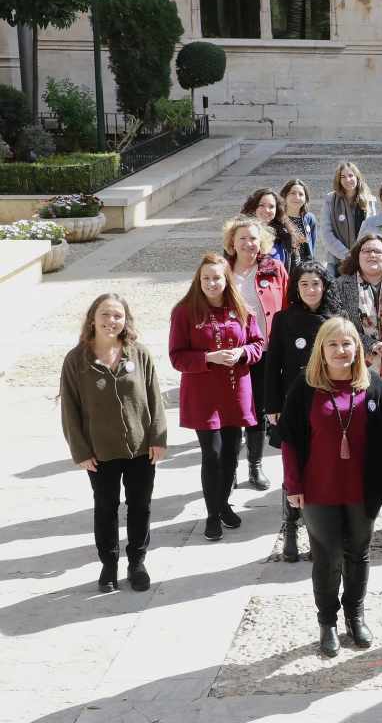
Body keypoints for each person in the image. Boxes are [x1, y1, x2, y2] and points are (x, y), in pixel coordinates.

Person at [279, 317, 382, 657]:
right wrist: (293, 485)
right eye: (333, 344)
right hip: (319, 488)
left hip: (363, 488)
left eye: (347, 344)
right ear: (322, 348)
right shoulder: (305, 387)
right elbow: (289, 440)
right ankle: (327, 622)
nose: (340, 350)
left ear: (357, 349)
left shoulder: (372, 384)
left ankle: (355, 615)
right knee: (327, 555)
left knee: (358, 553)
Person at [61, 294, 167, 593]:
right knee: (105, 507)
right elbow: (69, 408)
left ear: (126, 320)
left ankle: (137, 562)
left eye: (118, 316)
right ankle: (109, 564)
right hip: (99, 451)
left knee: (140, 506)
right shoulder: (76, 359)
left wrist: (158, 438)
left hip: (140, 448)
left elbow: (156, 399)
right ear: (92, 318)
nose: (111, 321)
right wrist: (80, 451)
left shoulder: (139, 354)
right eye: (105, 315)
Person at [169, 253, 264, 542]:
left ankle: (223, 504)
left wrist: (242, 353)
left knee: (232, 453)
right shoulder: (185, 312)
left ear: (227, 280)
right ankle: (212, 514)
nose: (212, 283)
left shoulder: (242, 309)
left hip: (236, 391)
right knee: (211, 454)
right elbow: (177, 357)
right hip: (203, 394)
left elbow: (258, 344)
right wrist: (208, 357)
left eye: (217, 278)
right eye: (206, 278)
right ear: (199, 280)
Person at [263, 260, 341, 562]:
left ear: (325, 287)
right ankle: (291, 526)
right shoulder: (284, 319)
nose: (311, 289)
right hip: (292, 405)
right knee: (293, 467)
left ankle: (315, 531)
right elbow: (273, 365)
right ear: (296, 287)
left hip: (327, 405)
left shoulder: (336, 317)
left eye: (316, 284)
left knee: (321, 470)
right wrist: (272, 405)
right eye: (304, 284)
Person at [224, 215, 290, 491]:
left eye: (253, 238)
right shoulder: (221, 270)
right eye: (243, 239)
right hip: (231, 353)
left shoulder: (273, 268)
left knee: (258, 409)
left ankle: (255, 465)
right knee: (230, 411)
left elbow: (287, 303)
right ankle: (228, 469)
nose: (249, 244)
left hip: (265, 351)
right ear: (232, 243)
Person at [335, 234, 382, 384]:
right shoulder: (341, 285)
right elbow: (340, 325)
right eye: (366, 251)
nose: (372, 255)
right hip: (357, 364)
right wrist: (371, 344)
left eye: (378, 251)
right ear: (357, 255)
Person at [318, 161, 376, 270]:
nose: (347, 180)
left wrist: (361, 254)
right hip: (337, 262)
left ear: (357, 177)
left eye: (350, 175)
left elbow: (371, 230)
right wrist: (347, 255)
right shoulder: (330, 200)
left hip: (363, 259)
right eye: (343, 177)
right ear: (339, 180)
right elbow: (326, 233)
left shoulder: (369, 200)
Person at [241, 187, 291, 265]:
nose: (267, 210)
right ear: (253, 207)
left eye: (271, 207)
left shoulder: (284, 235)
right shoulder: (239, 233)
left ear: (277, 210)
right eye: (261, 205)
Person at [279, 179, 319, 268]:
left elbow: (312, 245)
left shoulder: (309, 218)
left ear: (305, 199)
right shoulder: (278, 219)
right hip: (285, 269)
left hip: (304, 270)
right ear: (285, 196)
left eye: (301, 194)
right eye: (292, 193)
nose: (297, 197)